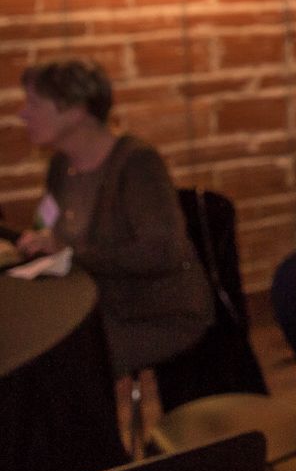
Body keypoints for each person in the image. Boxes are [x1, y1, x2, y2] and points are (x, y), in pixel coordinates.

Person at [16, 59, 213, 378]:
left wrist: (70, 253)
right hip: (94, 305)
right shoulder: (61, 165)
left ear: (75, 110)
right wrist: (41, 237)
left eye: (34, 104)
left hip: (153, 314)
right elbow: (47, 222)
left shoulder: (136, 164)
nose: (23, 113)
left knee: (50, 364)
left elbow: (161, 252)